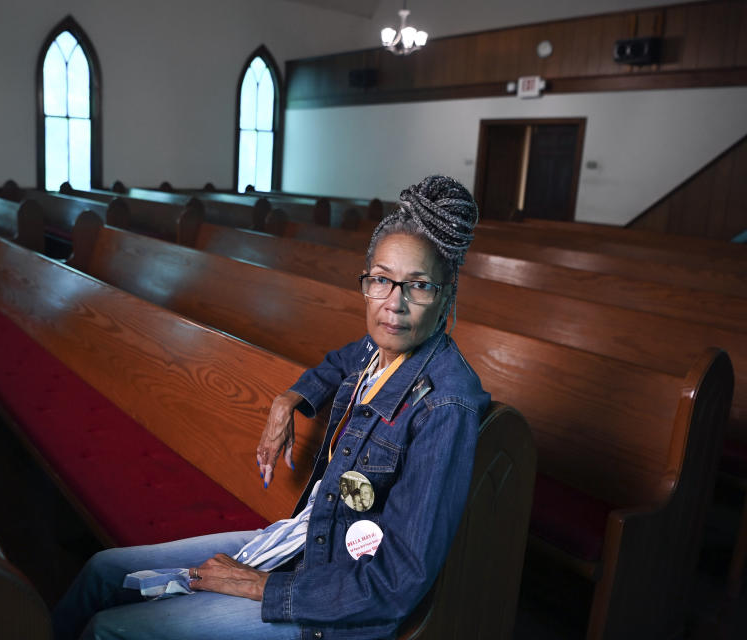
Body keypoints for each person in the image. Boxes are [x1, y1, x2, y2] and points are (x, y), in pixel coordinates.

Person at [51, 175, 489, 640]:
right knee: (103, 571)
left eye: (418, 286)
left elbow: (397, 583)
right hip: (305, 540)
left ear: (445, 299)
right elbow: (338, 362)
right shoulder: (376, 349)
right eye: (381, 280)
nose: (394, 304)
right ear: (367, 282)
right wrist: (289, 400)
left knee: (110, 629)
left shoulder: (445, 405)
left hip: (333, 605)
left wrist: (261, 586)